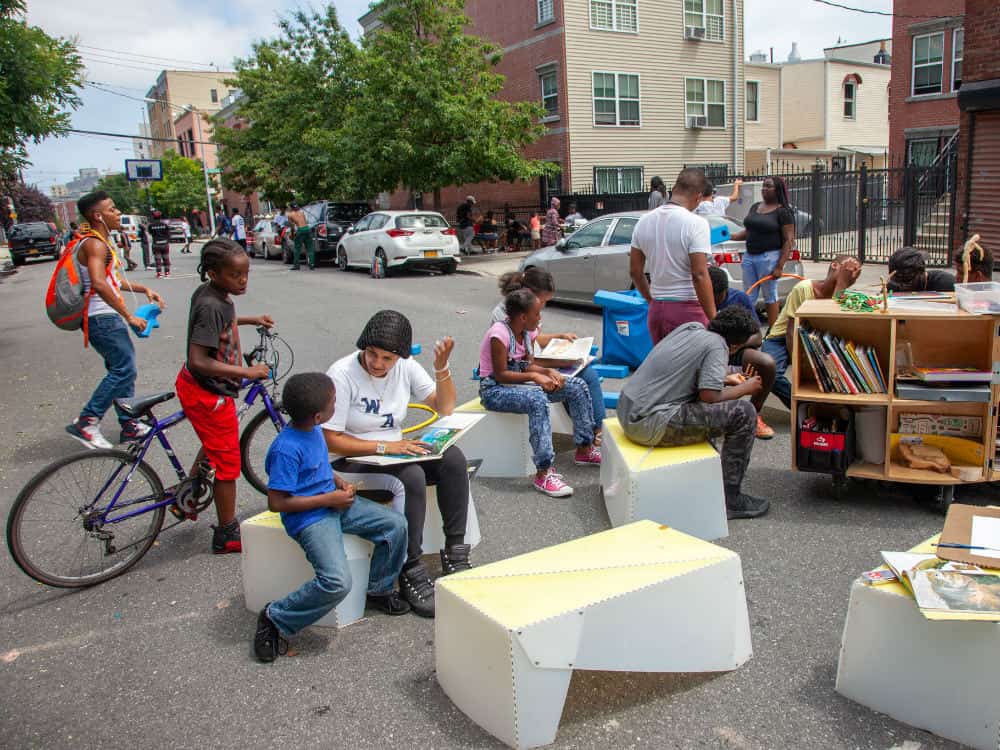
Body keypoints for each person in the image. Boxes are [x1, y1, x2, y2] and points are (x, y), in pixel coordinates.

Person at [253, 372, 410, 663]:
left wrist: (339, 483)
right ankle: (275, 617)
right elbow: (277, 502)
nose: (337, 405)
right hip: (310, 518)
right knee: (336, 582)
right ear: (317, 415)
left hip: (335, 501)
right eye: (333, 402)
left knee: (395, 525)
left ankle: (380, 587)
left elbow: (318, 469)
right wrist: (329, 499)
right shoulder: (286, 449)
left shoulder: (314, 431)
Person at [323, 311, 471, 619]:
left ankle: (456, 552)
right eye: (372, 354)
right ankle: (409, 567)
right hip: (351, 460)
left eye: (387, 358)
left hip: (392, 453)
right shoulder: (342, 373)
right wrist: (384, 446)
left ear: (399, 357)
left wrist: (441, 369)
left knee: (453, 459)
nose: (378, 363)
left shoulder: (405, 367)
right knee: (411, 477)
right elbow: (330, 439)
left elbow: (444, 407)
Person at [617, 306, 770, 519]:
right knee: (744, 413)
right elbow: (710, 397)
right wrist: (745, 388)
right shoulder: (719, 347)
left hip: (627, 409)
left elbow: (689, 367)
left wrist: (726, 376)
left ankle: (712, 480)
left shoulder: (692, 328)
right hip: (648, 422)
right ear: (735, 345)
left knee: (708, 406)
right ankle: (730, 499)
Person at [175, 238, 274, 554]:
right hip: (207, 391)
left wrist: (250, 319)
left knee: (214, 444)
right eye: (235, 276)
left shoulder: (213, 295)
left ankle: (186, 496)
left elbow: (222, 324)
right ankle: (227, 532)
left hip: (201, 386)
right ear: (214, 273)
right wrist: (248, 373)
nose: (242, 281)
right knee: (228, 464)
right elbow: (198, 359)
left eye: (246, 274)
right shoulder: (211, 304)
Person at [65, 190, 164, 449]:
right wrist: (129, 315)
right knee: (124, 369)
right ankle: (87, 421)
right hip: (102, 318)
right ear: (98, 215)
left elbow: (112, 280)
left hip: (103, 317)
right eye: (112, 209)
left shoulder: (100, 241)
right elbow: (98, 283)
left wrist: (144, 289)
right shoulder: (94, 243)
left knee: (121, 370)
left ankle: (129, 424)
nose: (118, 213)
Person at [480, 288, 600, 498]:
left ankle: (585, 448)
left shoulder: (526, 333)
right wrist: (536, 378)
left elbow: (527, 365)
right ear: (523, 317)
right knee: (537, 400)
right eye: (537, 313)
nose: (540, 317)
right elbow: (501, 375)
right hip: (495, 390)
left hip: (519, 384)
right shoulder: (499, 334)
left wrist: (547, 372)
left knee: (576, 386)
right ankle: (543, 472)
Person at [492, 268, 607, 446]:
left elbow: (533, 341)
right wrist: (551, 366)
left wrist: (558, 339)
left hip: (529, 363)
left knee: (583, 375)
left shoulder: (526, 309)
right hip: (517, 372)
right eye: (543, 303)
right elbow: (517, 364)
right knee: (577, 379)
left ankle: (593, 434)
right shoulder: (505, 321)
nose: (541, 314)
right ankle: (593, 433)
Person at [760, 256, 862, 408]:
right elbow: (790, 331)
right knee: (770, 374)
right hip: (781, 339)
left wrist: (842, 284)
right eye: (847, 268)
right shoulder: (803, 288)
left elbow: (833, 320)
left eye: (855, 272)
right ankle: (805, 408)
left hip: (813, 340)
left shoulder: (841, 298)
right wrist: (800, 364)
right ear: (834, 265)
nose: (851, 274)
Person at [630, 168, 716, 345]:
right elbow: (699, 274)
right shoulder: (696, 223)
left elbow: (635, 272)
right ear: (698, 197)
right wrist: (714, 318)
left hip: (657, 310)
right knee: (696, 370)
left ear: (674, 189)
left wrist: (651, 300)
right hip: (688, 310)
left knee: (664, 370)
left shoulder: (643, 222)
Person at [708, 266, 775, 439]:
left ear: (725, 291)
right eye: (709, 297)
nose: (713, 302)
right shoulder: (695, 301)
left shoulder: (739, 298)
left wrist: (737, 346)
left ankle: (754, 414)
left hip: (733, 351)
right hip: (707, 353)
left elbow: (757, 336)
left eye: (718, 298)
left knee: (766, 363)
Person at [730, 176, 796, 326]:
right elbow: (748, 231)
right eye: (764, 186)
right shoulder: (755, 207)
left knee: (770, 295)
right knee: (749, 295)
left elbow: (788, 240)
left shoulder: (783, 212)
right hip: (749, 256)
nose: (764, 189)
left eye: (768, 186)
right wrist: (730, 236)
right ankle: (748, 329)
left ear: (777, 190)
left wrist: (779, 266)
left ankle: (773, 331)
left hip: (769, 257)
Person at [887, 246, 956, 292]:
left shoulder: (947, 284)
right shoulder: (894, 285)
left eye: (906, 285)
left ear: (922, 272)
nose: (902, 287)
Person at [286, 202, 314, 270]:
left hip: (300, 230)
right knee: (310, 248)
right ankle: (312, 264)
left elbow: (292, 226)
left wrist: (292, 235)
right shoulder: (302, 213)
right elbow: (305, 221)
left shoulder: (290, 215)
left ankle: (296, 265)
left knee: (297, 249)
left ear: (291, 207)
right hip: (307, 229)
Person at [148, 210, 171, 279]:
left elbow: (151, 233)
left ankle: (159, 273)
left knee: (158, 259)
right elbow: (168, 234)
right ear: (160, 217)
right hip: (165, 243)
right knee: (166, 258)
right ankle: (167, 273)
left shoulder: (151, 226)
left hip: (156, 244)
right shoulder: (165, 225)